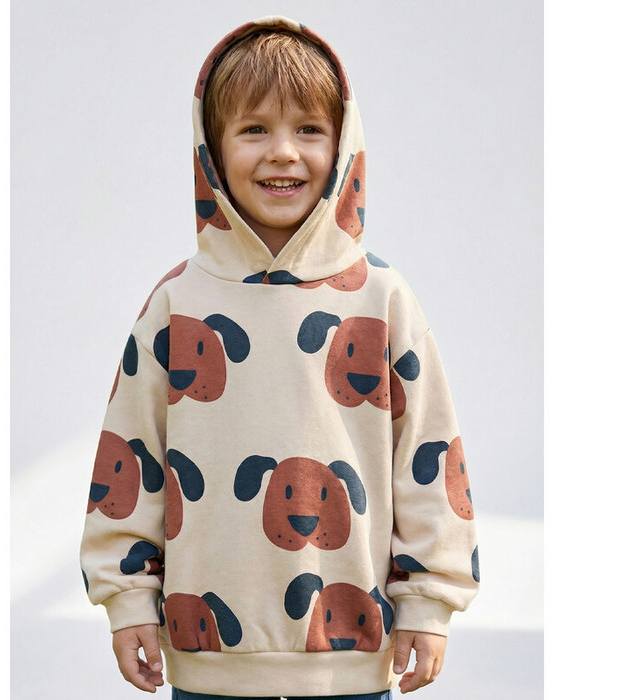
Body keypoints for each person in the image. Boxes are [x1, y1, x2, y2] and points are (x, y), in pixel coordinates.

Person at [80, 15, 480, 699]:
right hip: (209, 653)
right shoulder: (177, 303)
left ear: (344, 144)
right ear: (211, 150)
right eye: (254, 129)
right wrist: (126, 599)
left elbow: (428, 452)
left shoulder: (382, 298)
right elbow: (131, 456)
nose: (283, 153)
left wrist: (429, 603)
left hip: (351, 650)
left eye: (309, 129)